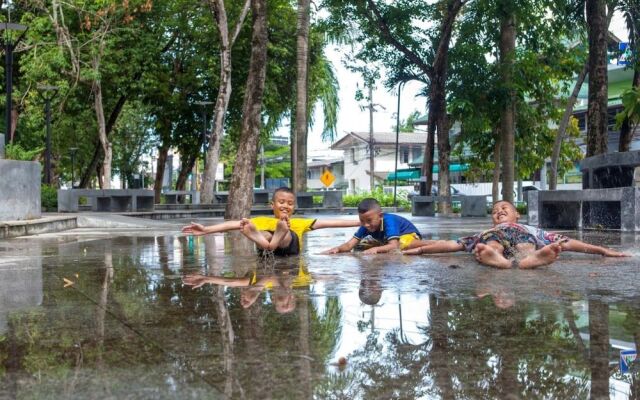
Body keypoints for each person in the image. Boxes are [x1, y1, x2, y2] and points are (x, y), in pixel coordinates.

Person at [403, 200, 629, 269]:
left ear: (517, 215)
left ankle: (528, 259)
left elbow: (567, 242)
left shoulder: (529, 229)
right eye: (495, 211)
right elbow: (449, 244)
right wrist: (420, 249)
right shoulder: (486, 230)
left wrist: (601, 250)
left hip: (525, 240)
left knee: (525, 244)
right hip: (492, 240)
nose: (499, 211)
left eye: (504, 209)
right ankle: (498, 257)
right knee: (489, 242)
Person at [181, 187, 359, 256]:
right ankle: (268, 241)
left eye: (290, 204)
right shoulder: (261, 220)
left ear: (294, 208)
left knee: (285, 233)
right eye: (281, 202)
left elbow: (331, 222)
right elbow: (233, 224)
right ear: (272, 204)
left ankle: (277, 236)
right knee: (263, 233)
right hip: (270, 248)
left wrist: (359, 222)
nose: (285, 206)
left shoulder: (300, 222)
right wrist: (205, 230)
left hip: (290, 247)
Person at [322, 198, 422, 254]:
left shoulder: (389, 221)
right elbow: (349, 245)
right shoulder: (365, 225)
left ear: (380, 216)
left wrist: (376, 249)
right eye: (362, 221)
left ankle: (431, 244)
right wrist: (338, 249)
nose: (366, 224)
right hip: (387, 240)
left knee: (401, 244)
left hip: (408, 235)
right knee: (360, 246)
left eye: (369, 220)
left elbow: (394, 245)